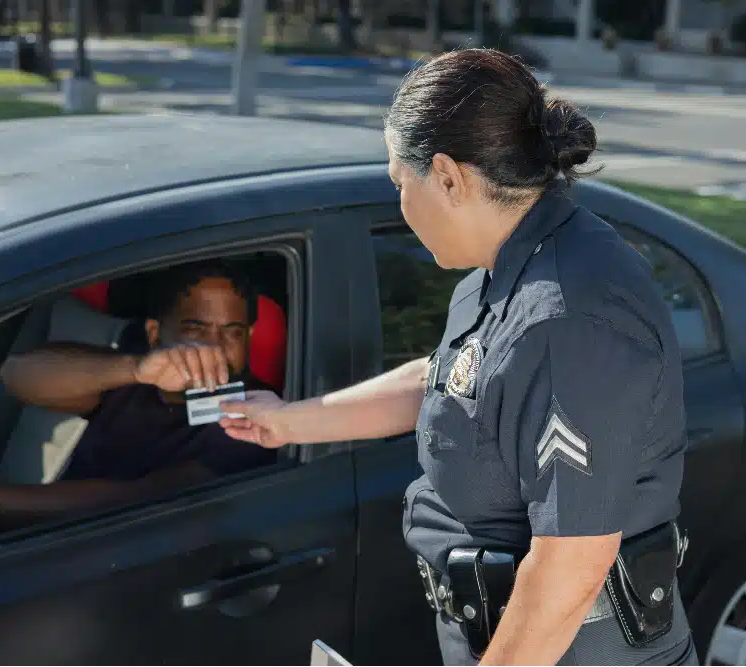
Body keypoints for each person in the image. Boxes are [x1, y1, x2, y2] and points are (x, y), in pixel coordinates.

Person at [220, 48, 698, 667]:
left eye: (400, 183)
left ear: (447, 176)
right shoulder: (505, 267)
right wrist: (289, 420)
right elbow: (452, 381)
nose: (399, 205)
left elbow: (570, 562)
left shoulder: (566, 318)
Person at [0, 260, 277, 534]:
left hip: (102, 561)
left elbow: (130, 503)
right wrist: (135, 369)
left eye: (232, 332)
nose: (213, 347)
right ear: (154, 333)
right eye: (195, 328)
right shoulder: (139, 363)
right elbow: (17, 376)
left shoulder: (256, 412)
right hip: (29, 540)